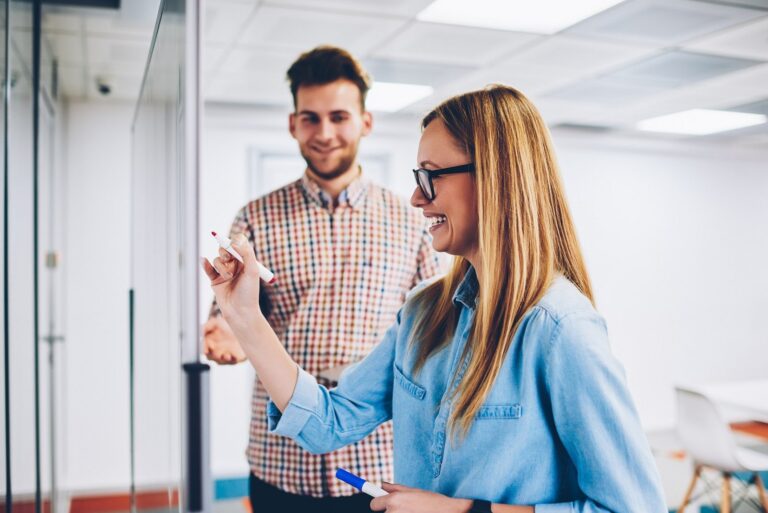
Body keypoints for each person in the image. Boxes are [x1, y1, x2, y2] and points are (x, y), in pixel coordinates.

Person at [203, 85, 667, 512]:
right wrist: (245, 316)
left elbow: (634, 507)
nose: (415, 198)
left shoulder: (561, 330)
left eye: (430, 176)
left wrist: (464, 511)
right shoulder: (423, 311)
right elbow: (329, 422)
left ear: (495, 178)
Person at [203, 46, 441, 512]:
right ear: (293, 124)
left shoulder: (411, 220)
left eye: (339, 117)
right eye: (311, 118)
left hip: (375, 462)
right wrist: (226, 334)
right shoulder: (256, 218)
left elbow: (431, 336)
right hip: (281, 460)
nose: (325, 133)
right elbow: (232, 315)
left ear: (365, 122)